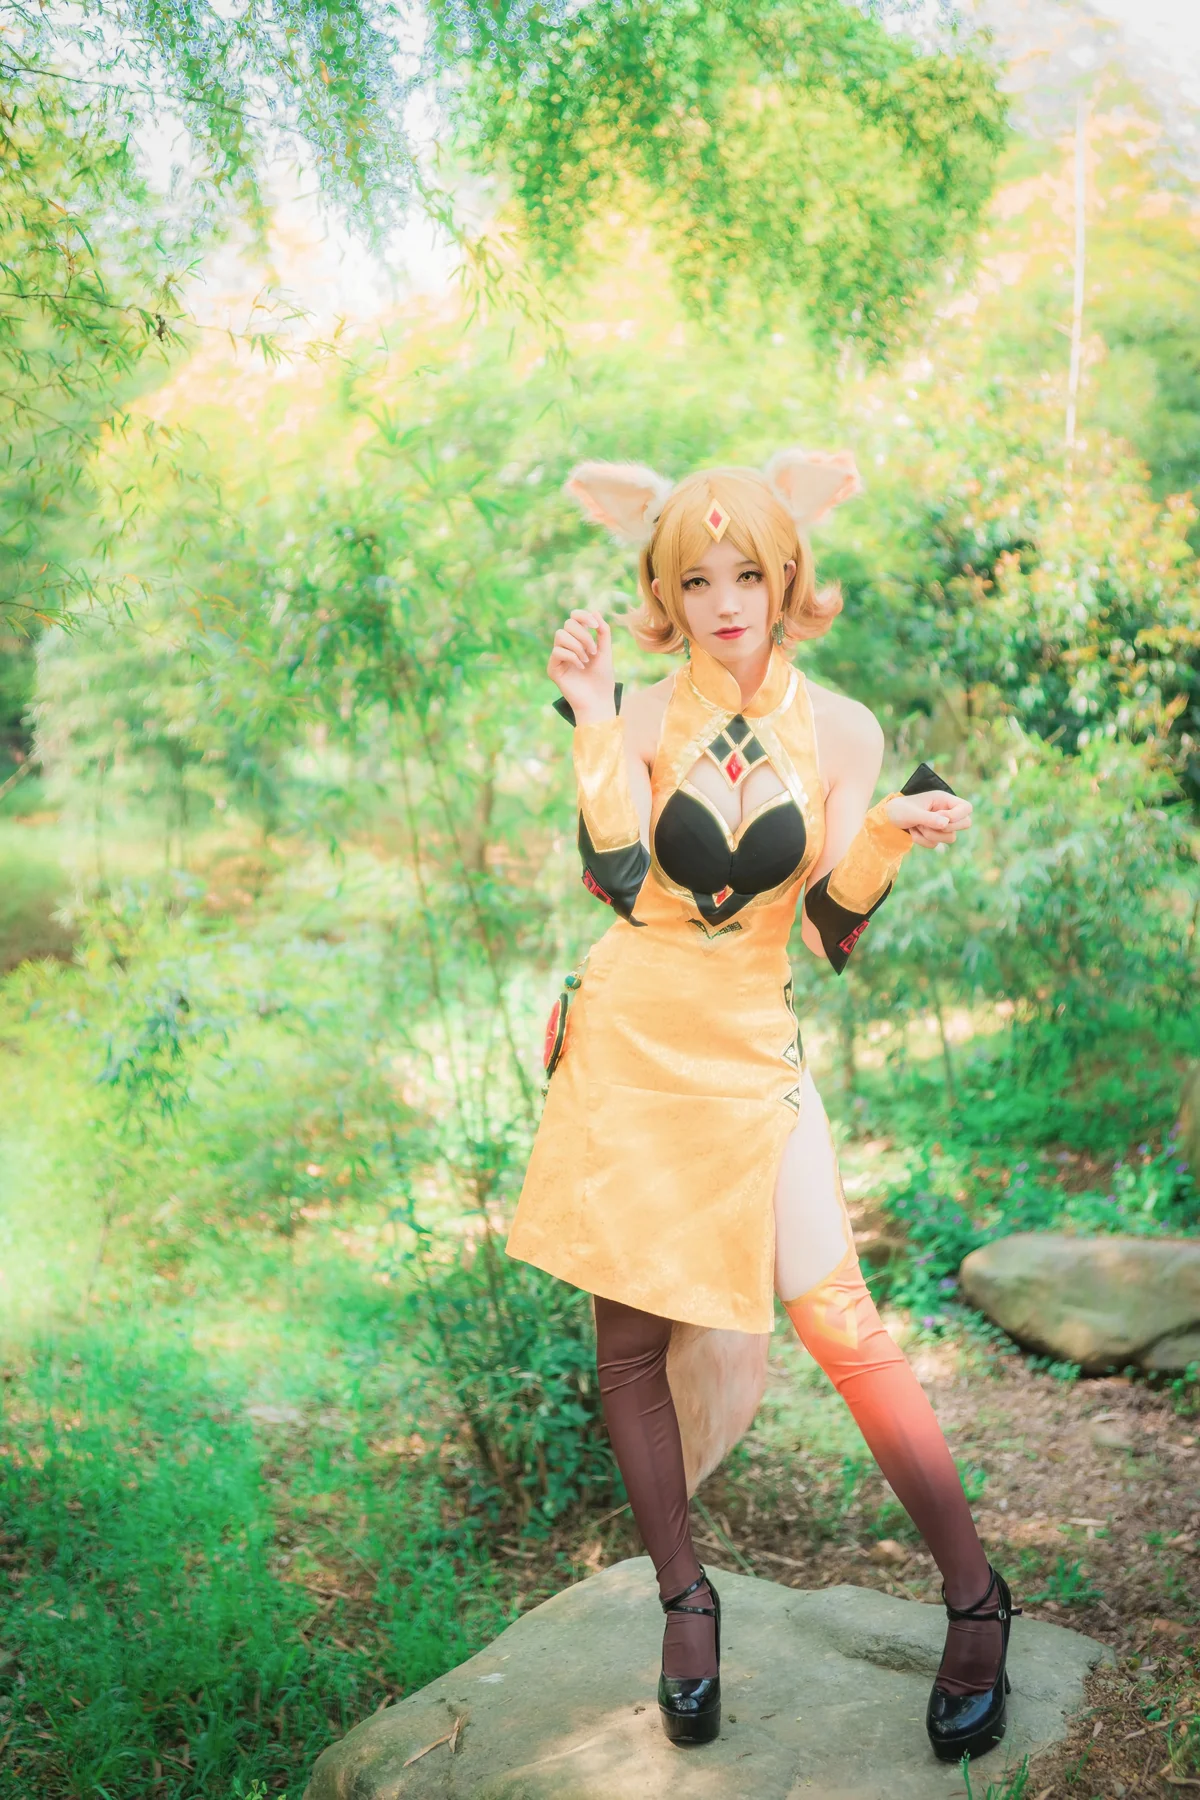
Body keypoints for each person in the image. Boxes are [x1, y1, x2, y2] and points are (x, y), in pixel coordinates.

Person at [504, 451, 1020, 1760]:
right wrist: (588, 715)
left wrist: (887, 831)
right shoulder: (634, 712)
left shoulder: (841, 729)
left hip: (750, 1049)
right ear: (666, 592)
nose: (725, 600)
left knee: (842, 1320)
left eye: (747, 572)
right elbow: (621, 878)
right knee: (628, 1349)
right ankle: (687, 1603)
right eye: (697, 579)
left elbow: (831, 926)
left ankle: (978, 1598)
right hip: (631, 1045)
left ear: (788, 575)